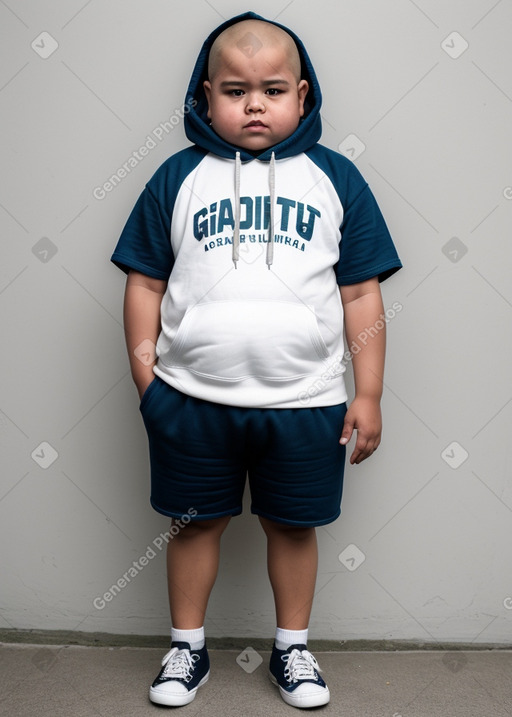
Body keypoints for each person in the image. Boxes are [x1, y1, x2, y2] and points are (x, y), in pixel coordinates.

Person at [111, 10, 402, 710]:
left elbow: (361, 292)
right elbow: (144, 283)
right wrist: (148, 380)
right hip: (190, 398)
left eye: (272, 88)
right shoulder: (177, 176)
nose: (253, 103)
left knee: (293, 526)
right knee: (191, 523)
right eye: (233, 88)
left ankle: (292, 647)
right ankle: (187, 646)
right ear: (204, 96)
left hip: (305, 400)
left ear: (302, 96)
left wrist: (369, 392)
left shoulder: (336, 178)